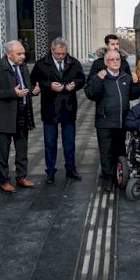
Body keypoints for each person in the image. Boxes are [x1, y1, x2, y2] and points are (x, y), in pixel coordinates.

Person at [0, 40, 40, 194]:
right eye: (19, 54)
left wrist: (33, 91)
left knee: (22, 149)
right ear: (8, 54)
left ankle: (21, 176)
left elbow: (27, 86)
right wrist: (12, 92)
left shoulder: (23, 68)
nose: (23, 56)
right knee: (3, 151)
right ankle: (4, 180)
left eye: (23, 53)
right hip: (3, 116)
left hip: (23, 113)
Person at [31, 38, 86, 184]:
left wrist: (75, 84)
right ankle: (50, 171)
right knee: (50, 142)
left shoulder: (73, 62)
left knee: (69, 142)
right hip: (50, 108)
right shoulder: (42, 64)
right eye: (58, 54)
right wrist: (49, 86)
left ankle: (71, 168)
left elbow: (82, 79)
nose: (61, 56)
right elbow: (34, 82)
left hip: (68, 107)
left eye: (64, 53)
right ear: (52, 51)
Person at [85, 49, 140, 192]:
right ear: (105, 62)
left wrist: (136, 83)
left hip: (122, 122)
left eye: (118, 59)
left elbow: (134, 95)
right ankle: (107, 179)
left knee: (120, 151)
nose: (115, 62)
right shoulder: (100, 77)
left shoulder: (125, 77)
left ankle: (119, 176)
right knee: (106, 152)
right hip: (105, 122)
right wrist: (98, 79)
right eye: (112, 60)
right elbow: (91, 94)